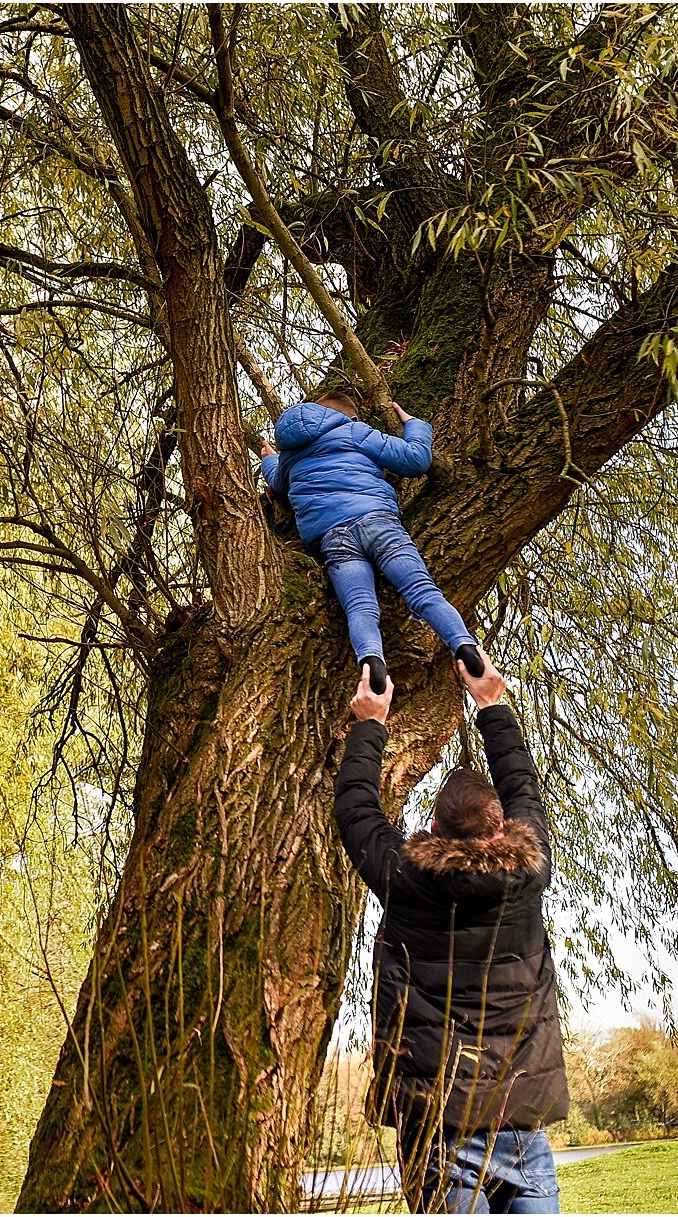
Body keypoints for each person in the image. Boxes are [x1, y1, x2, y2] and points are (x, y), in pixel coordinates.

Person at [336, 654, 568, 1214]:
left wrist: (370, 722)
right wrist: (492, 703)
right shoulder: (528, 870)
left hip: (437, 1119)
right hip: (519, 1116)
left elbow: (357, 810)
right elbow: (523, 790)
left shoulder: (407, 877)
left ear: (435, 827)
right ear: (500, 827)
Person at [261, 391, 483, 693]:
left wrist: (269, 460)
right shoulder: (353, 430)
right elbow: (416, 460)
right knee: (421, 591)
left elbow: (277, 483)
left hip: (333, 538)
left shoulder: (289, 458)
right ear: (348, 416)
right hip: (377, 521)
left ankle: (372, 663)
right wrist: (415, 425)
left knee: (360, 607)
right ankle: (464, 647)